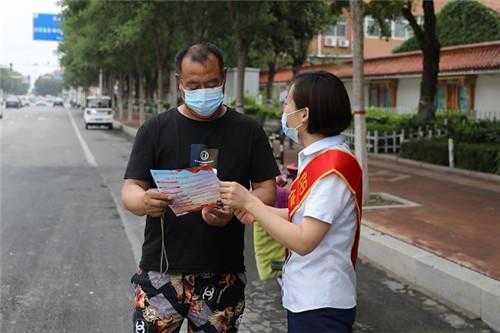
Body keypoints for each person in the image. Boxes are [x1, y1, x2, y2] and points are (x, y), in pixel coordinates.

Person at [121, 42, 280, 333]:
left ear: (224, 77)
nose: (203, 91)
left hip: (222, 273)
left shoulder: (248, 131)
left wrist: (235, 207)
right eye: (193, 84)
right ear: (178, 82)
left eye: (211, 83)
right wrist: (144, 201)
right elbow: (131, 187)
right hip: (162, 270)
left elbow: (266, 188)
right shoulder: (155, 129)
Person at [220, 71, 362, 333]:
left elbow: (304, 240)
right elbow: (302, 214)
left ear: (304, 115)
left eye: (287, 103)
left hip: (321, 303)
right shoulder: (319, 158)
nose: (283, 110)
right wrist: (262, 212)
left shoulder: (332, 168)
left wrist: (251, 204)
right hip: (308, 296)